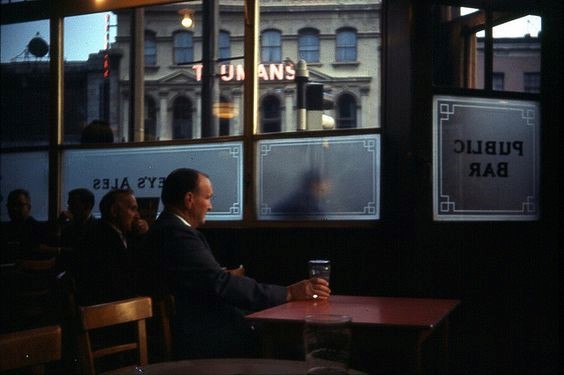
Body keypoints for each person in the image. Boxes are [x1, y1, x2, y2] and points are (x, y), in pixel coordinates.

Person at [144, 168, 331, 359]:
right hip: (206, 338)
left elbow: (206, 279)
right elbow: (219, 283)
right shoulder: (176, 234)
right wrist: (289, 292)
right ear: (189, 199)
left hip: (206, 327)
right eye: (208, 198)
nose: (211, 207)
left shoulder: (169, 229)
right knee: (302, 352)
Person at [73, 188, 149, 306]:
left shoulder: (122, 235)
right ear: (114, 211)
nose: (137, 216)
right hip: (110, 312)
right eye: (133, 209)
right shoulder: (100, 240)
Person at [0, 189, 50, 263]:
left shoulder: (39, 229)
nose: (15, 208)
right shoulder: (3, 230)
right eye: (11, 205)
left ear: (29, 207)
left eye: (19, 205)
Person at [58, 188, 98, 273]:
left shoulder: (98, 228)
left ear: (87, 206)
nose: (69, 209)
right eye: (69, 204)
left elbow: (81, 252)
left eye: (73, 205)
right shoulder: (67, 227)